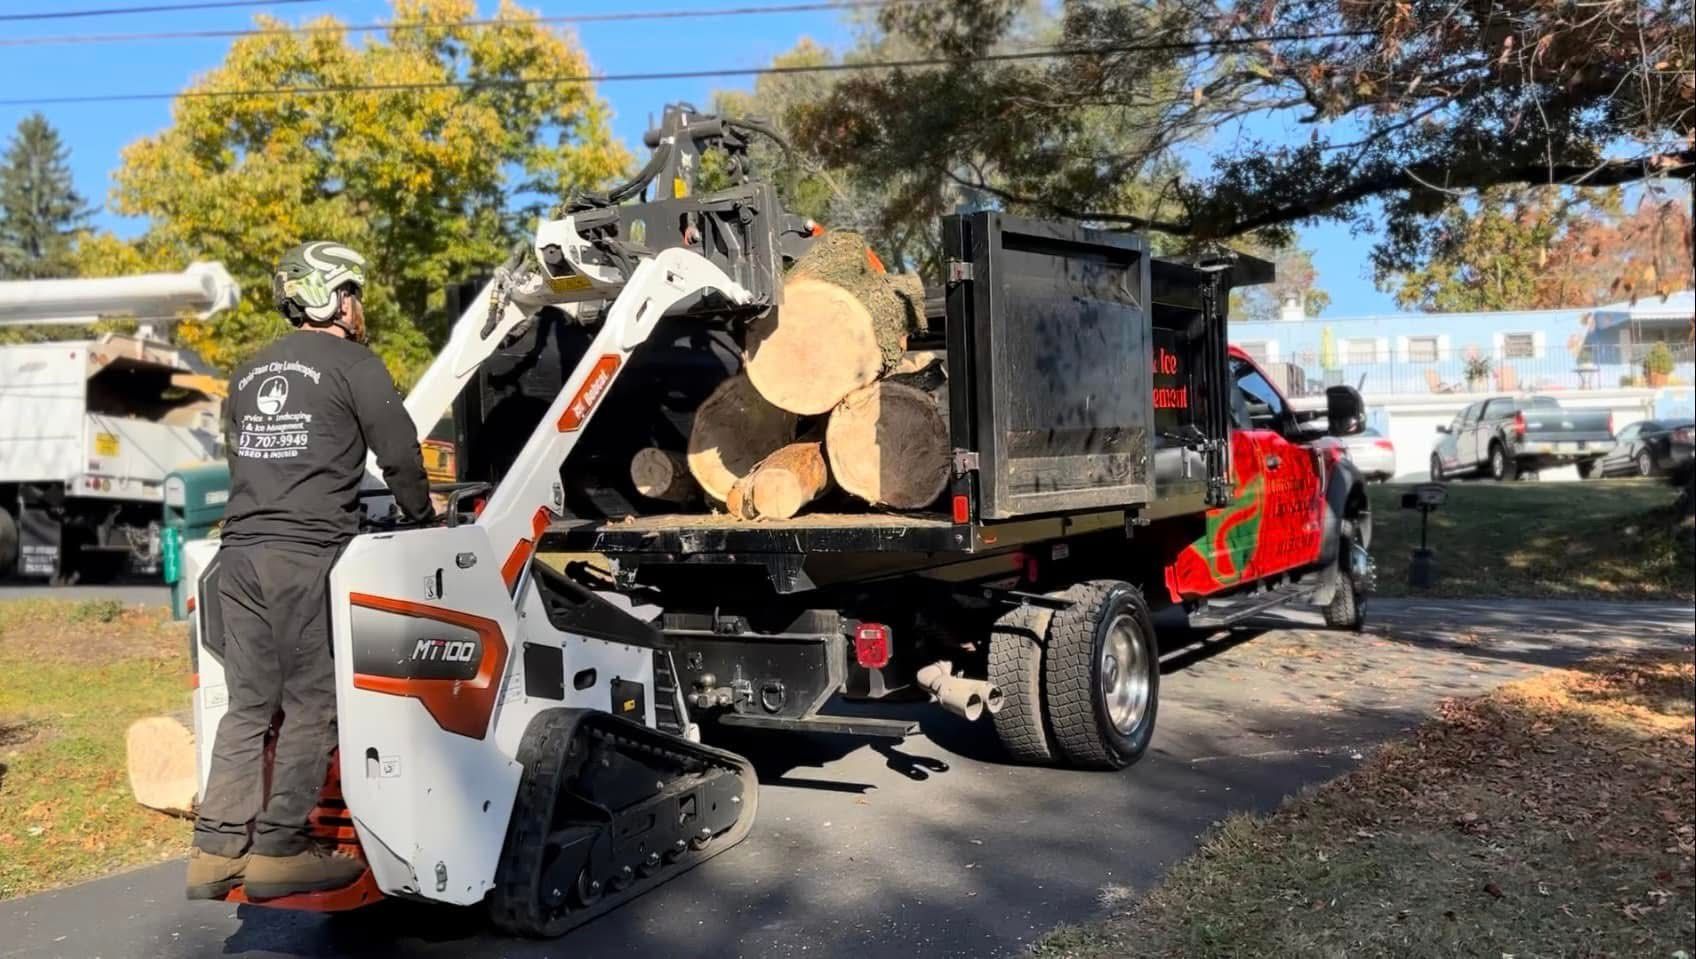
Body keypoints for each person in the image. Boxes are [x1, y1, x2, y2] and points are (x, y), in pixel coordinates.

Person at [187, 241, 435, 901]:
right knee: (312, 700)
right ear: (331, 296)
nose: (358, 305)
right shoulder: (355, 364)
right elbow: (401, 452)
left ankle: (214, 849)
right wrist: (422, 519)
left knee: (248, 704)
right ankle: (279, 849)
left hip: (236, 555)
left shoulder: (245, 374)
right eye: (351, 290)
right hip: (303, 556)